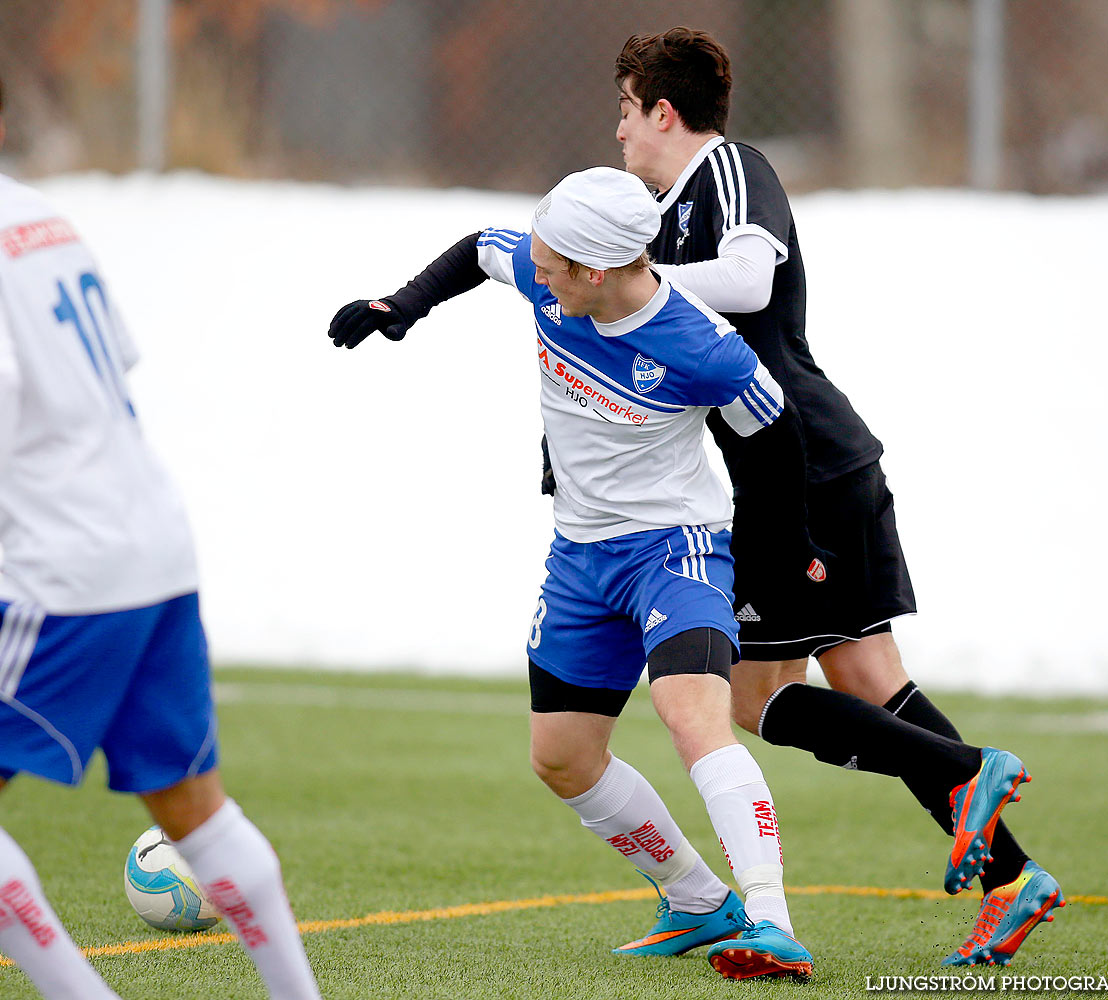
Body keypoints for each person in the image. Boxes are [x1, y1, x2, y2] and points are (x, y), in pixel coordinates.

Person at [594, 26, 1063, 967]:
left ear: (662, 110)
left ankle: (972, 775)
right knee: (863, 678)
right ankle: (1013, 879)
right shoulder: (662, 208)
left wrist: (630, 290)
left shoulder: (727, 169)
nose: (616, 133)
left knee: (757, 697)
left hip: (798, 465)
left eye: (624, 110)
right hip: (802, 466)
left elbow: (750, 276)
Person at [330, 166, 856, 981]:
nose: (533, 271)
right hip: (579, 560)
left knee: (691, 719)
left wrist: (785, 548)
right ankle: (693, 898)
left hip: (672, 553)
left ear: (596, 271)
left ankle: (770, 920)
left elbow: (775, 434)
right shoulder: (552, 276)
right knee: (562, 757)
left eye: (549, 265)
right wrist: (403, 305)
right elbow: (478, 249)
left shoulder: (703, 347)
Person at [0, 27, 321, 1000]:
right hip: (156, 542)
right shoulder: (43, 220)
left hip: (71, 568)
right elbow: (115, 357)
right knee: (194, 806)